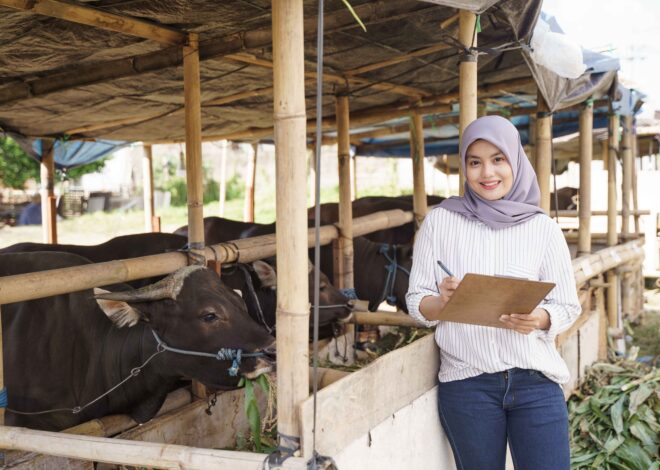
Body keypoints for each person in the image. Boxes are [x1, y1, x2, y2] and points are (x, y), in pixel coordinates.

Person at [406, 115, 580, 470]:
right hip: (468, 385)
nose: (487, 173)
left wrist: (540, 318)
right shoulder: (440, 222)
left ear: (515, 160)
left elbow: (567, 305)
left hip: (536, 382)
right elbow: (415, 301)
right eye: (475, 162)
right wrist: (441, 303)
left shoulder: (543, 229)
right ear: (464, 167)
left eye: (498, 159)